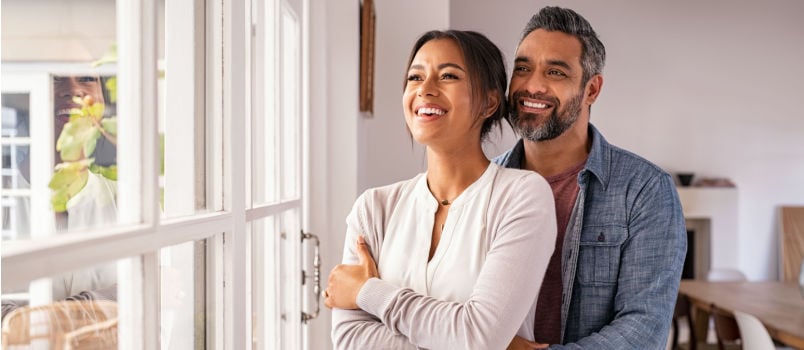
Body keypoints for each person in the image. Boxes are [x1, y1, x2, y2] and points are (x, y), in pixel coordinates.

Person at [324, 30, 557, 349]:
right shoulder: (374, 208)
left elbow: (477, 338)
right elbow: (351, 340)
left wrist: (367, 292)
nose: (425, 90)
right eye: (415, 77)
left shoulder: (523, 197)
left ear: (489, 102)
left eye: (448, 75)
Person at [495, 7, 687, 349]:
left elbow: (644, 330)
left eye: (555, 72)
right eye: (523, 68)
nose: (532, 85)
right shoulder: (485, 182)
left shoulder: (644, 191)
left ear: (592, 90)